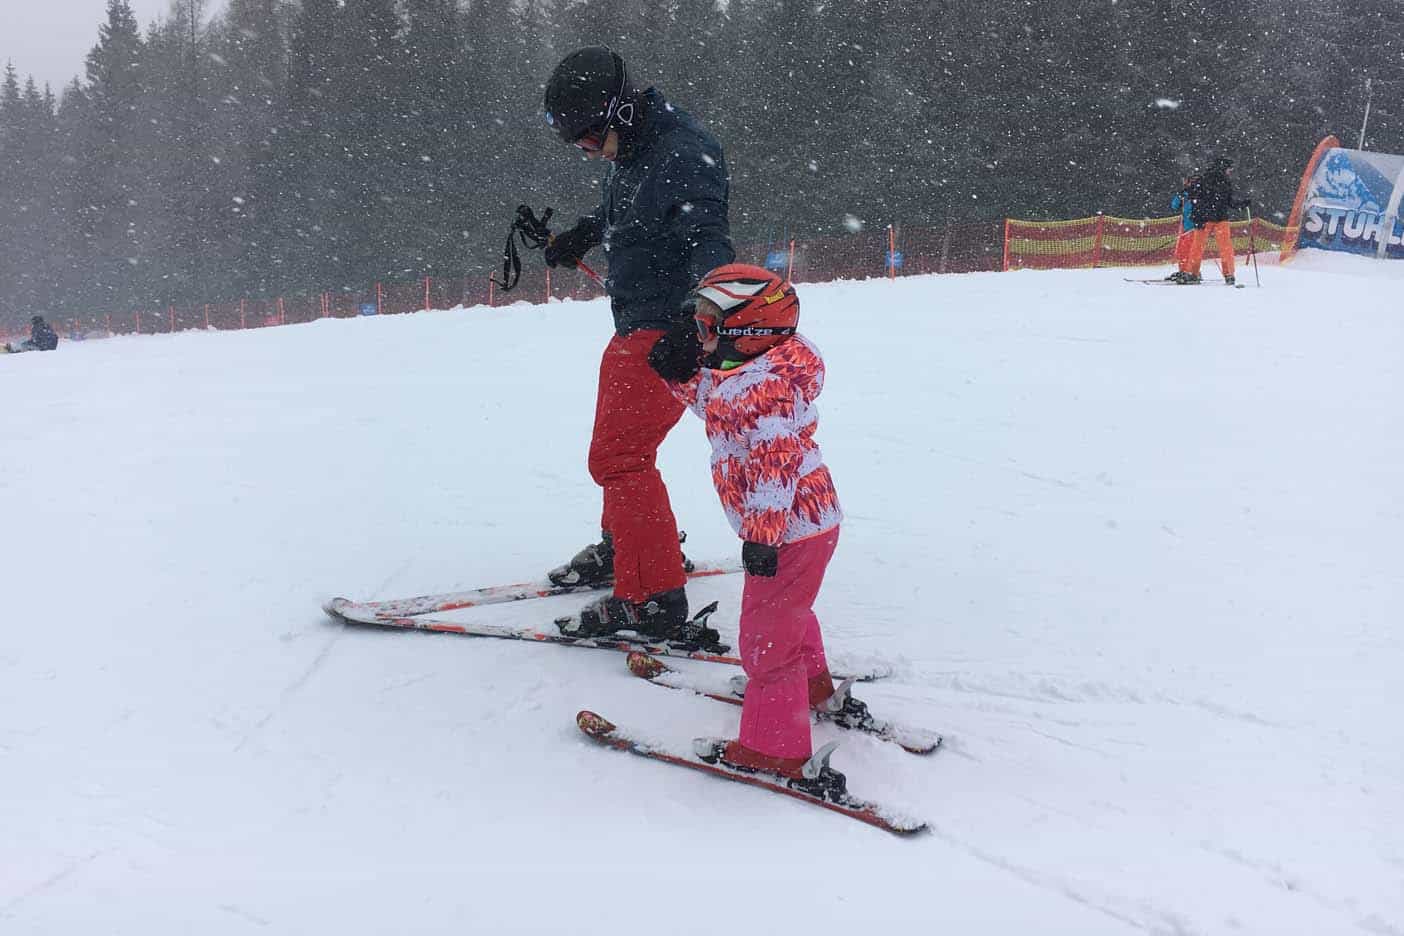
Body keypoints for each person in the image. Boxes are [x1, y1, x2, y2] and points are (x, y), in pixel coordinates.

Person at [541, 46, 734, 639]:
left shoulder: (683, 155)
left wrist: (697, 319)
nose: (585, 150)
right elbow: (622, 206)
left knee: (619, 458)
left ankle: (652, 597)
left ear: (620, 113)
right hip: (636, 323)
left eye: (589, 139)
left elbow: (709, 242)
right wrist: (581, 233)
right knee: (620, 451)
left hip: (663, 331)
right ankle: (624, 545)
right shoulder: (641, 148)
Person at [646, 264, 849, 792]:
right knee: (787, 613)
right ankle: (812, 687)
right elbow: (720, 407)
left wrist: (761, 536)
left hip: (786, 528)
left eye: (710, 326)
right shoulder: (759, 373)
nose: (700, 335)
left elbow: (773, 462)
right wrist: (678, 373)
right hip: (809, 522)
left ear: (747, 332)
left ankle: (772, 748)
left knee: (764, 638)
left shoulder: (761, 387)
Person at [1173, 156, 1251, 286]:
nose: (1229, 172)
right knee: (1225, 247)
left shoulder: (1204, 180)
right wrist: (1242, 204)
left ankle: (1192, 273)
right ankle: (1229, 274)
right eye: (1229, 169)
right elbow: (1230, 202)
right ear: (1223, 168)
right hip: (1219, 218)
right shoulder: (1223, 182)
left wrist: (1194, 213)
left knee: (1197, 247)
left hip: (1205, 219)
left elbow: (1192, 195)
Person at [1167, 175, 1197, 278]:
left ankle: (1191, 271)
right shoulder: (1184, 193)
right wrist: (1180, 196)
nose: (1184, 183)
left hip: (1195, 227)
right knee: (1182, 250)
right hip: (1185, 227)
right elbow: (1174, 206)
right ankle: (1183, 270)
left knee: (1189, 250)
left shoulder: (1199, 193)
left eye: (1186, 181)